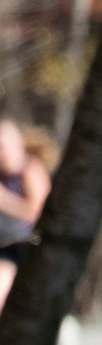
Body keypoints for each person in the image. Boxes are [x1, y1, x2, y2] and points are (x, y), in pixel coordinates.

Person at [0, 117, 51, 316]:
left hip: (22, 246)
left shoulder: (30, 169)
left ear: (17, 144)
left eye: (3, 146)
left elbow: (39, 213)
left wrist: (5, 201)